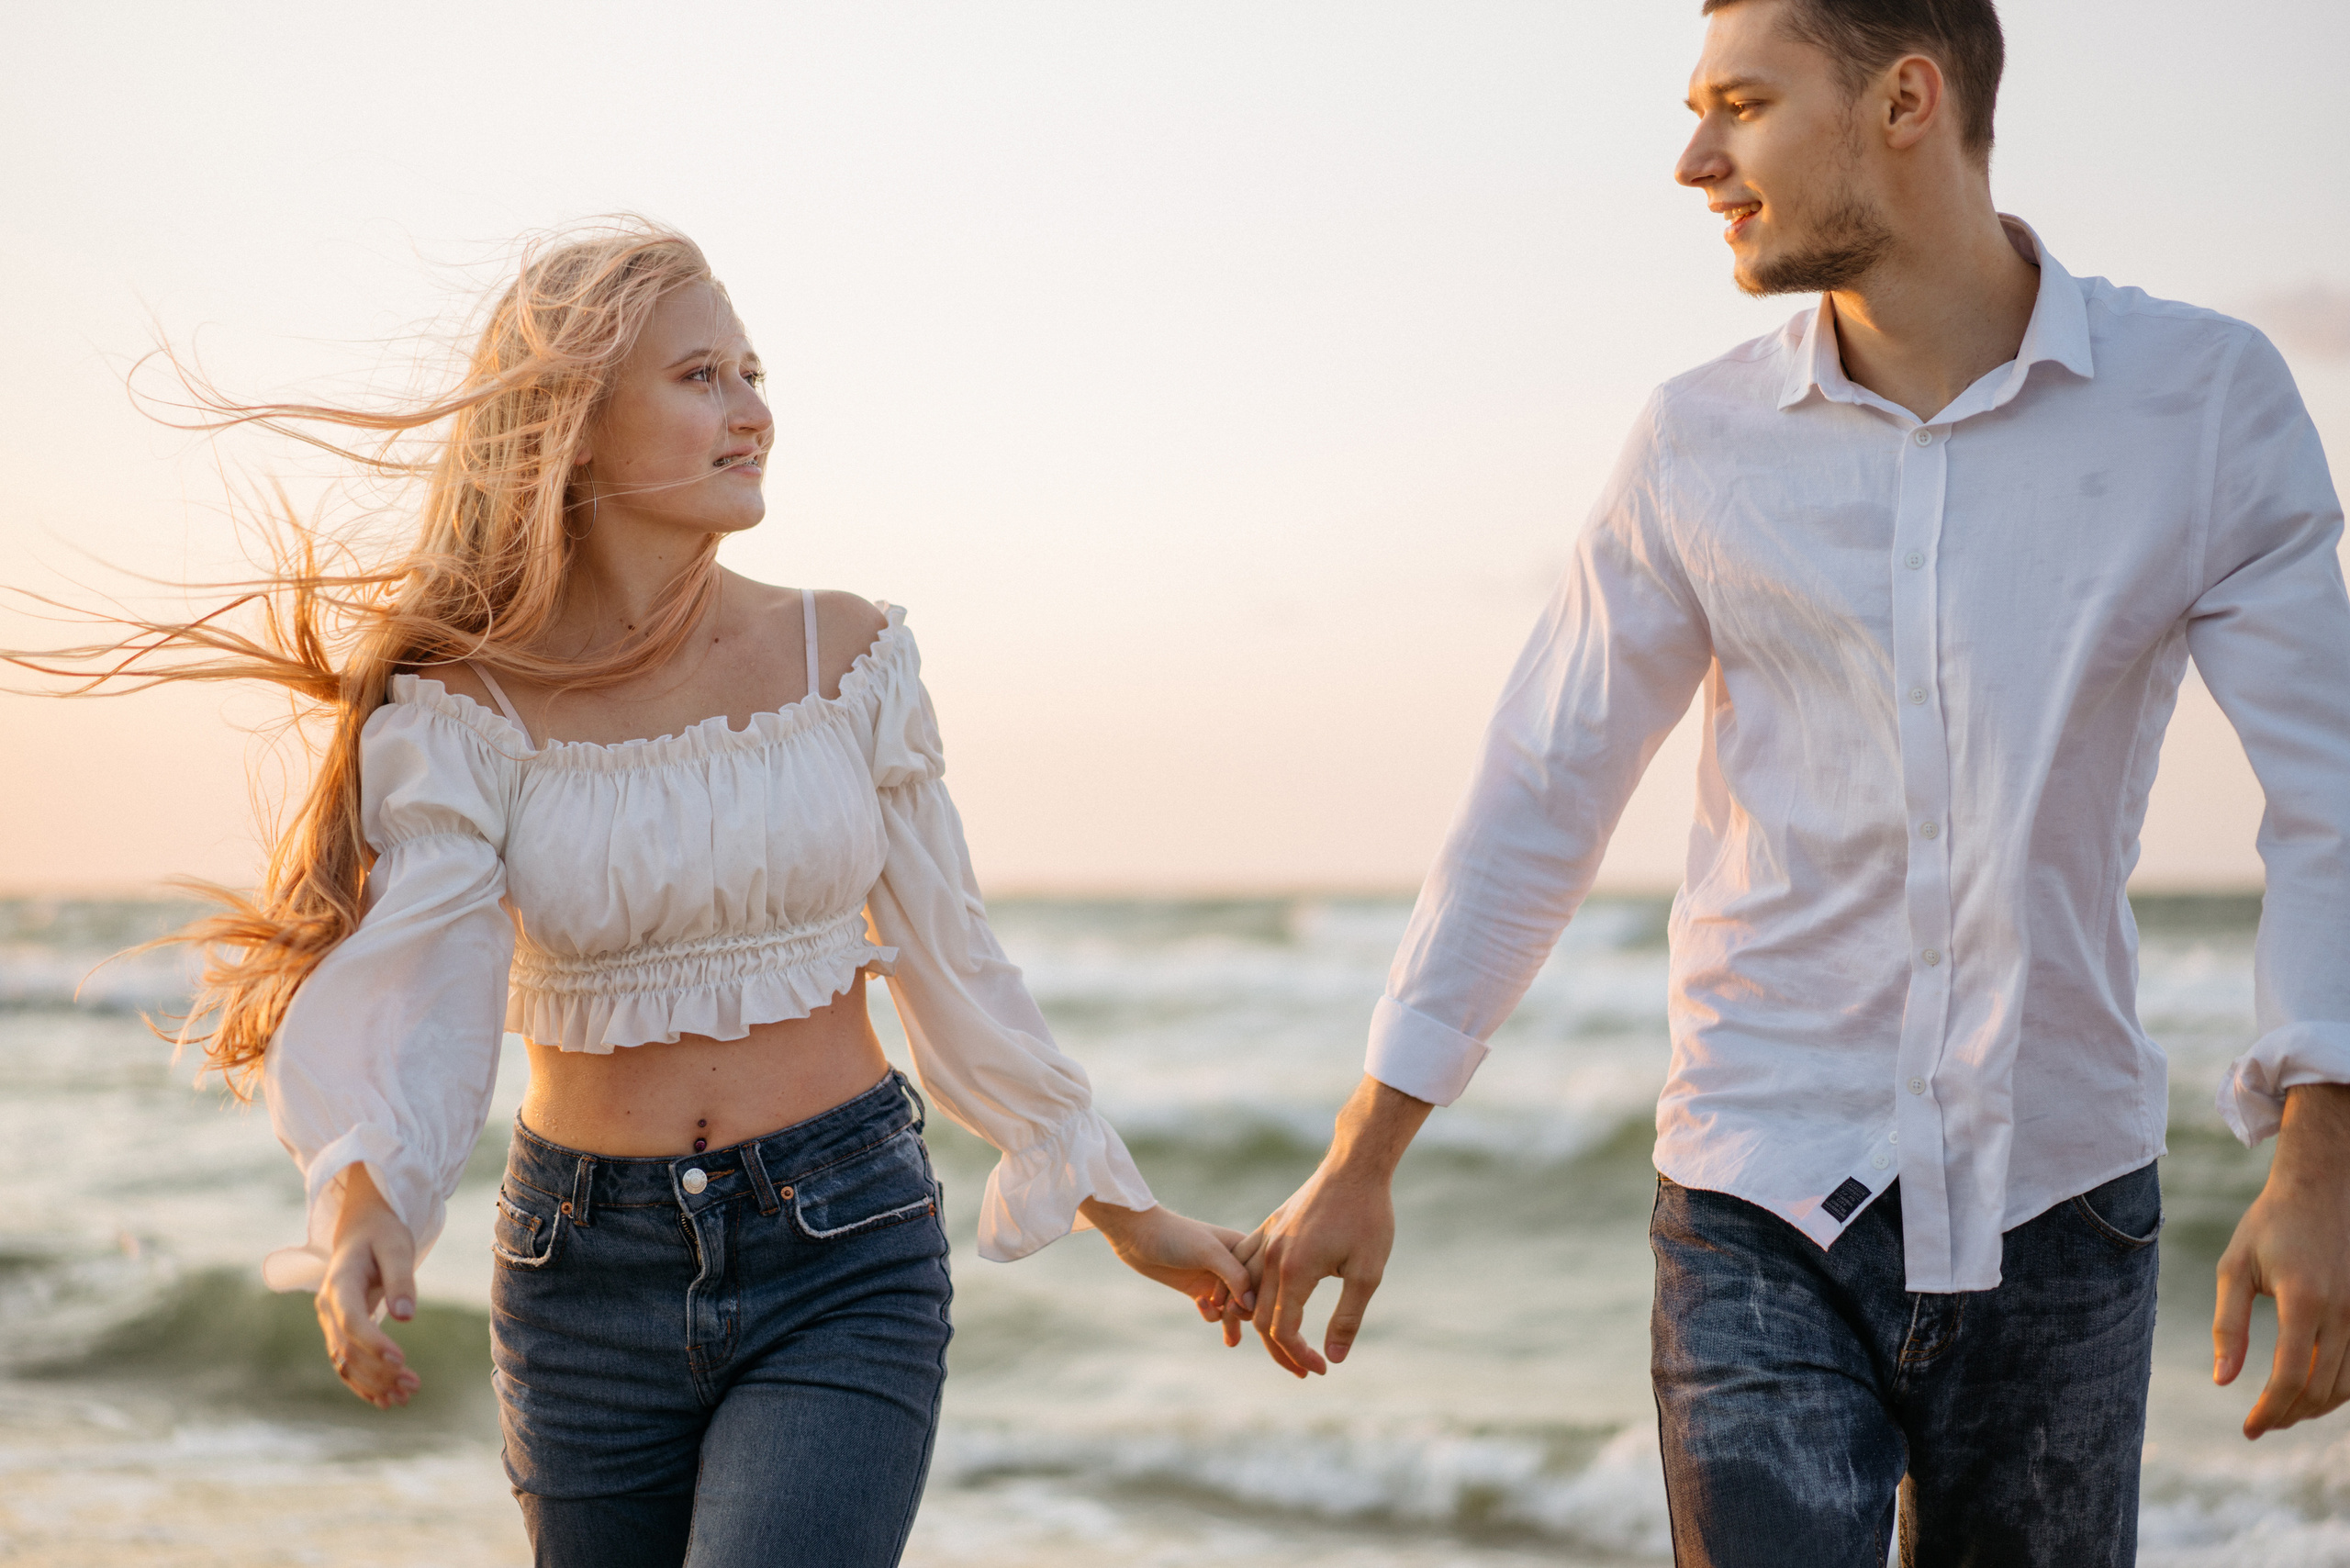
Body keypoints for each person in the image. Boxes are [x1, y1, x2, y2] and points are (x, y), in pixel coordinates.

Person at [1216, 1, 2350, 1562]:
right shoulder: (1697, 442)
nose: (1694, 159)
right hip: (1758, 1190)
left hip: (2065, 1193)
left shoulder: (2204, 406)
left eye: (1741, 105)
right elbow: (1544, 788)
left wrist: (2322, 1150)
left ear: (1904, 98)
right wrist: (1366, 1153)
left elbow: (2328, 797)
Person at [14, 220, 1249, 1568]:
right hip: (577, 1276)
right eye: (702, 376)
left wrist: (1122, 1207)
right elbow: (422, 986)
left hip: (843, 1248)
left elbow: (956, 960)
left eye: (752, 371)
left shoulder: (852, 655)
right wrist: (370, 1203)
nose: (754, 412)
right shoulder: (466, 711)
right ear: (577, 428)